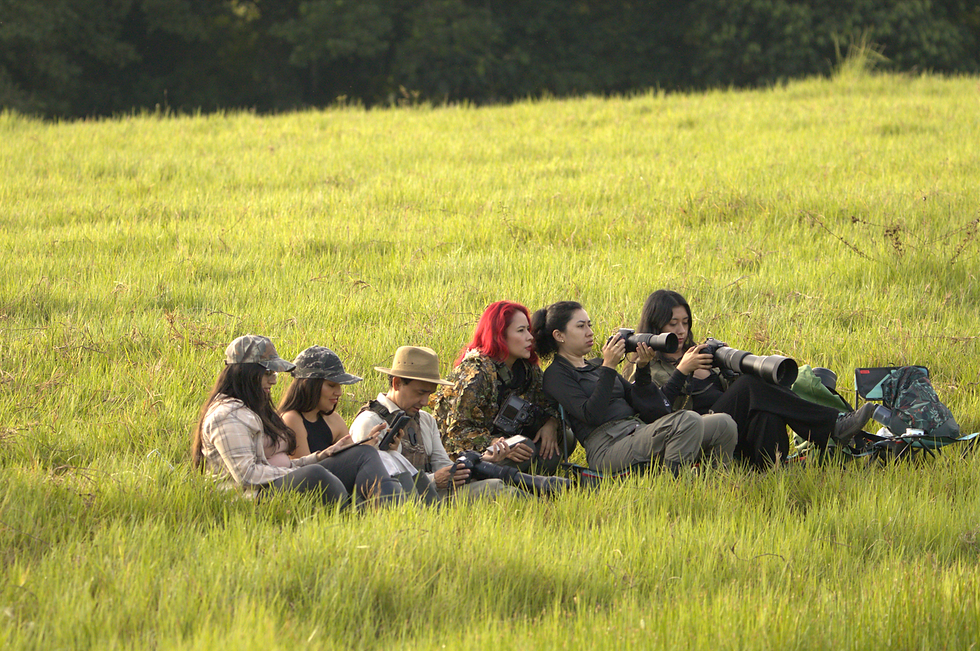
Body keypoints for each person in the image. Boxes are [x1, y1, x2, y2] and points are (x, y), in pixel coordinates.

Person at [630, 290, 875, 468]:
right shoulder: (644, 366)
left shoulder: (700, 354)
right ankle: (833, 425)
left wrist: (729, 370)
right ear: (656, 326)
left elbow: (738, 397)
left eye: (685, 322)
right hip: (694, 436)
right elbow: (655, 414)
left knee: (766, 411)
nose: (681, 331)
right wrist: (682, 371)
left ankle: (771, 472)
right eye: (673, 324)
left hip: (734, 436)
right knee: (750, 387)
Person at [191, 334, 404, 507]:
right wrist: (300, 472)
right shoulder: (227, 416)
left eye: (274, 373)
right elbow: (247, 475)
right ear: (244, 373)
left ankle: (391, 512)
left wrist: (325, 454)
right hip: (248, 499)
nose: (273, 380)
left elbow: (276, 466)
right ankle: (351, 518)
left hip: (270, 487)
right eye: (267, 372)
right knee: (314, 475)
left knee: (362, 454)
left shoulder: (250, 410)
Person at [534, 302, 737, 474]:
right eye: (581, 326)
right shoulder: (556, 374)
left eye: (590, 325)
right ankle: (677, 487)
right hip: (607, 447)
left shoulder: (596, 364)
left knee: (723, 424)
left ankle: (713, 482)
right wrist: (609, 366)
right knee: (687, 420)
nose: (590, 332)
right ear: (559, 335)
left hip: (638, 430)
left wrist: (641, 368)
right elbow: (591, 415)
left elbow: (645, 406)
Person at [350, 345, 521, 500]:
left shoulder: (425, 420)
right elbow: (378, 486)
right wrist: (434, 481)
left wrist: (483, 461)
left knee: (497, 485)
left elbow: (445, 467)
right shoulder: (370, 422)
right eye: (420, 393)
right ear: (397, 383)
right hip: (406, 503)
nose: (425, 401)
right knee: (496, 489)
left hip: (434, 496)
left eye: (430, 394)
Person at [432, 300, 572, 475]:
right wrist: (495, 443)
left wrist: (551, 423)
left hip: (507, 440)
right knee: (521, 451)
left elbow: (550, 402)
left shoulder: (527, 369)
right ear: (500, 335)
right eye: (521, 331)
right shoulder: (475, 374)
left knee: (565, 436)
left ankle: (532, 479)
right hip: (468, 455)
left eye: (528, 330)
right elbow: (456, 435)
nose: (530, 337)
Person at [278, 346, 363, 457]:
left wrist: (367, 445)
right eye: (331, 385)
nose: (339, 393)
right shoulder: (292, 419)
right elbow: (304, 468)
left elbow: (354, 460)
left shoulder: (334, 419)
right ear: (308, 385)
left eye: (339, 386)